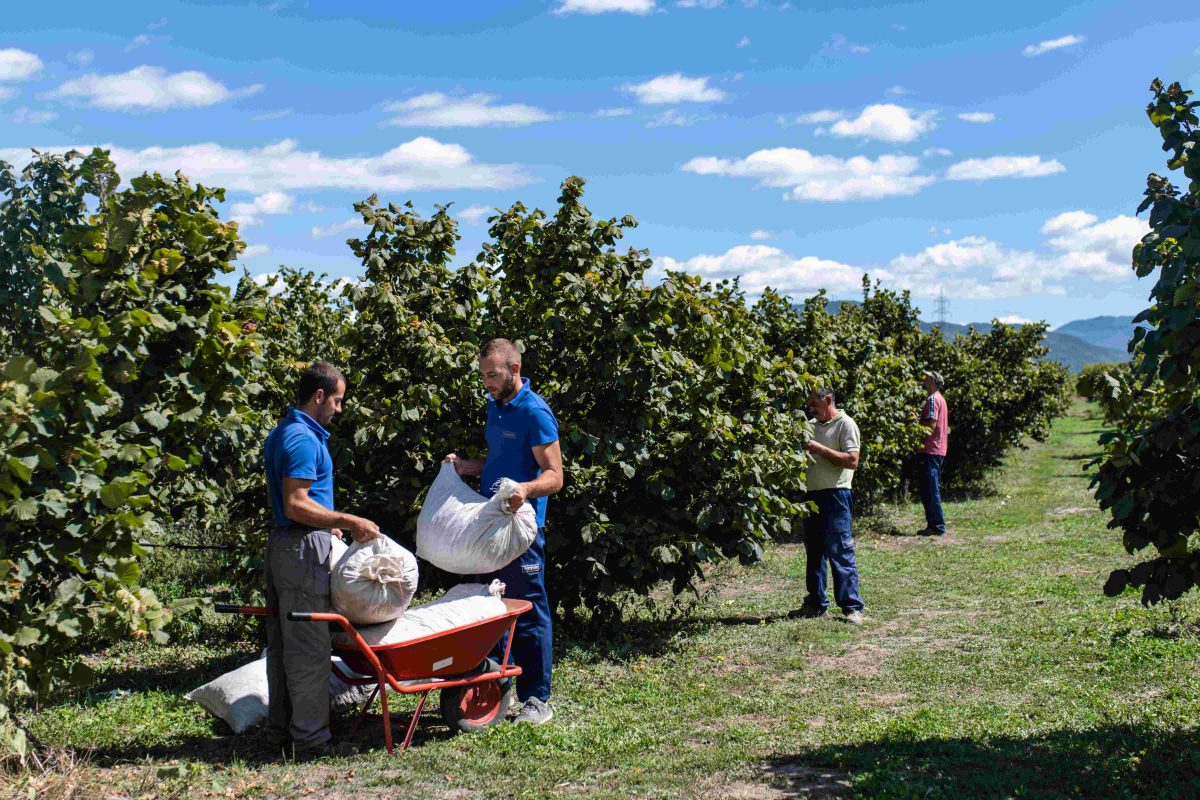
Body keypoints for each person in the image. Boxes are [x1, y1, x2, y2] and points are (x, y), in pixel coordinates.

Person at [263, 361, 380, 760]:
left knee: (282, 646)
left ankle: (280, 733)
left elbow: (298, 505)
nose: (339, 408)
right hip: (300, 550)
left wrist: (324, 524)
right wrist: (346, 520)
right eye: (337, 399)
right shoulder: (303, 440)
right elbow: (297, 504)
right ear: (319, 396)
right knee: (309, 649)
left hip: (285, 544)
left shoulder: (283, 432)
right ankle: (311, 742)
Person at [445, 338, 563, 725]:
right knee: (492, 608)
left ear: (515, 369)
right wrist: (466, 466)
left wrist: (525, 490)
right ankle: (500, 688)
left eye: (492, 375)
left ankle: (538, 700)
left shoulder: (535, 413)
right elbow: (498, 463)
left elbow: (555, 477)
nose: (486, 383)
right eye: (482, 376)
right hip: (490, 527)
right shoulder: (494, 409)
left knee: (527, 610)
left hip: (522, 532)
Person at [789, 387, 865, 625]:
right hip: (812, 495)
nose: (811, 409)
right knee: (814, 551)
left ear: (829, 400)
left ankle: (852, 607)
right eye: (809, 404)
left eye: (814, 403)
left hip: (836, 495)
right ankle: (815, 603)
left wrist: (818, 449)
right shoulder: (810, 427)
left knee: (840, 549)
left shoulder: (846, 424)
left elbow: (852, 460)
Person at [917, 371, 949, 536]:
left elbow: (930, 425)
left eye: (927, 377)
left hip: (930, 449)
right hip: (937, 449)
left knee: (930, 488)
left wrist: (916, 427)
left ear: (933, 381)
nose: (924, 378)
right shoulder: (940, 398)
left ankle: (937, 526)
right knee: (930, 487)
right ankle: (934, 525)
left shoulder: (932, 400)